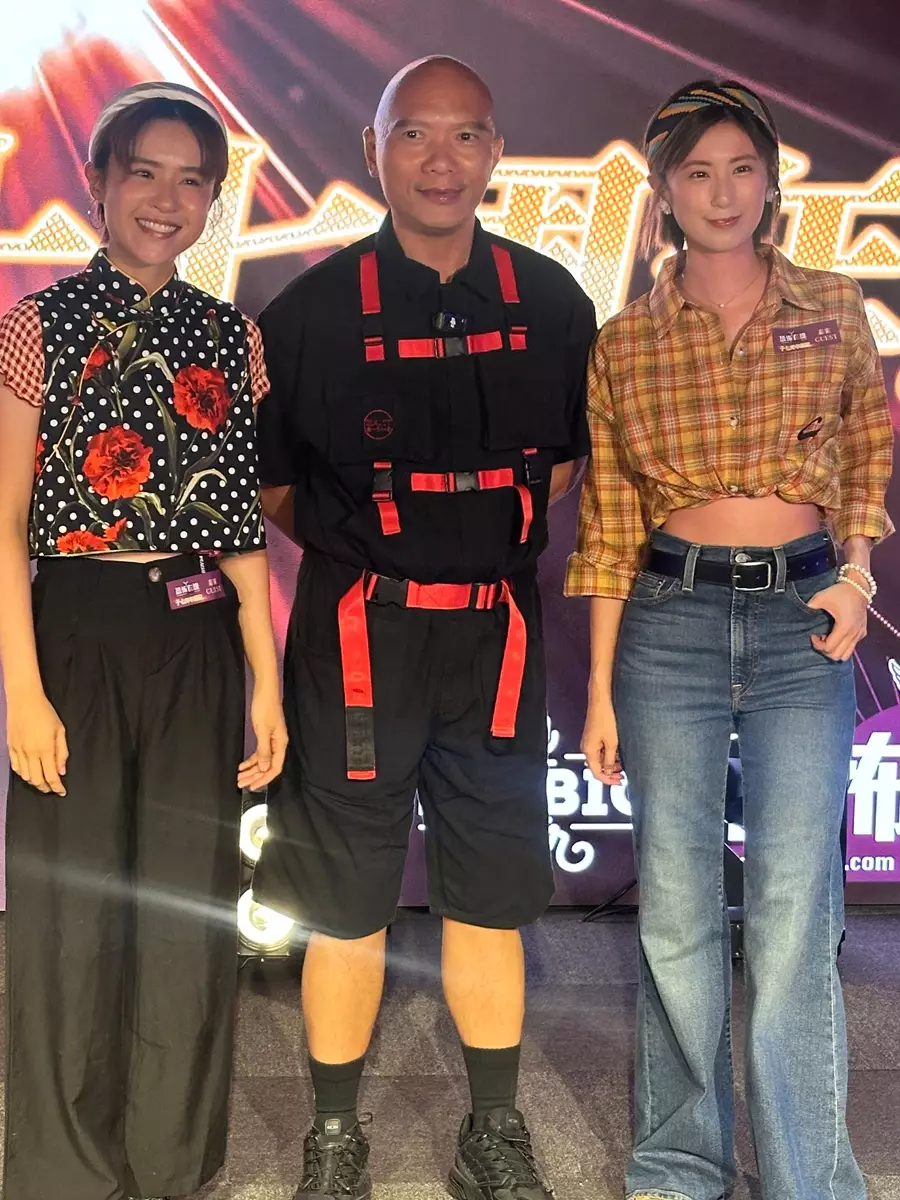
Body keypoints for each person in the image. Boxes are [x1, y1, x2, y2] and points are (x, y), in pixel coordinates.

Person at [253, 55, 595, 1200]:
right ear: (374, 149)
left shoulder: (553, 305)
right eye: (414, 134)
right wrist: (382, 553)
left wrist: (463, 545)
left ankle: (493, 1129)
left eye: (464, 135)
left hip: (492, 642)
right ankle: (333, 1139)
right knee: (344, 904)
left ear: (496, 151)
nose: (440, 161)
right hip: (356, 644)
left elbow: (561, 468)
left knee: (489, 896)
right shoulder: (305, 316)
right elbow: (276, 489)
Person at [566, 80, 893, 1200]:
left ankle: (811, 1178)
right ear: (662, 192)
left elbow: (868, 455)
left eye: (741, 169)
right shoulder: (626, 342)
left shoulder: (833, 305)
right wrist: (601, 691)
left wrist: (857, 578)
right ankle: (677, 1168)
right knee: (676, 911)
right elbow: (608, 524)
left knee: (799, 911)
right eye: (696, 172)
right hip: (671, 626)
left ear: (770, 181)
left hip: (806, 620)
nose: (722, 192)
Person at [0, 82, 287, 1200]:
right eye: (144, 173)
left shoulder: (231, 336)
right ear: (99, 183)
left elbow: (242, 532)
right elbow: (4, 523)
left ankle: (169, 1162)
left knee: (184, 903)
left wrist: (265, 682)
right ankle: (65, 1171)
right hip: (76, 627)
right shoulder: (38, 327)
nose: (166, 199)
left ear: (213, 199)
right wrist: (24, 692)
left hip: (198, 632)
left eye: (191, 181)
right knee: (69, 911)